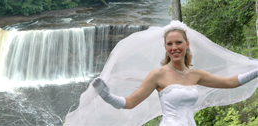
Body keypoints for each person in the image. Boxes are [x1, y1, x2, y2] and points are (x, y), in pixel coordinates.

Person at [64, 21, 258, 126]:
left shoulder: (195, 75)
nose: (174, 47)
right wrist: (106, 95)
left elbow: (232, 82)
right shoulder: (157, 75)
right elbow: (130, 103)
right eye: (170, 44)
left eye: (178, 43)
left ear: (187, 45)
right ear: (165, 47)